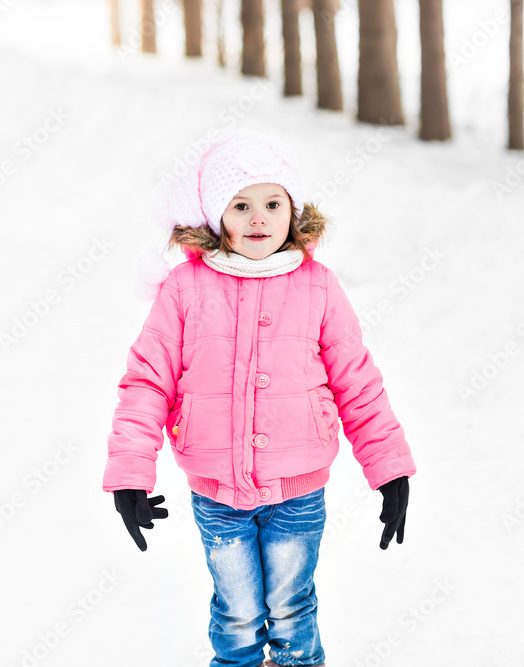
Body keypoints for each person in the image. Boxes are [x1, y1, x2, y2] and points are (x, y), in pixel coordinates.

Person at [102, 128, 417, 667]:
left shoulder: (318, 285)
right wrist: (131, 471)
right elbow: (147, 379)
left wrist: (388, 467)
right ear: (216, 216)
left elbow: (356, 381)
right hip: (217, 492)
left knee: (292, 607)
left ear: (292, 211)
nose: (257, 218)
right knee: (238, 612)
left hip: (298, 490)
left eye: (272, 203)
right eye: (240, 205)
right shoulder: (186, 288)